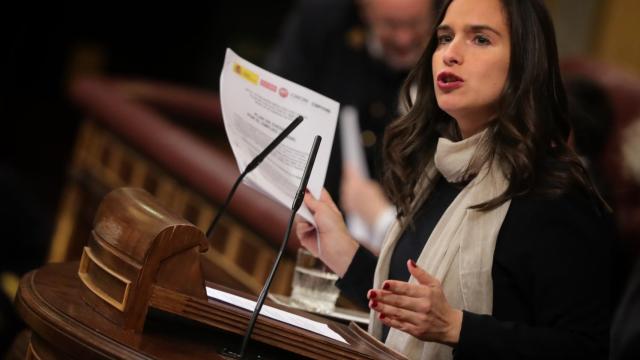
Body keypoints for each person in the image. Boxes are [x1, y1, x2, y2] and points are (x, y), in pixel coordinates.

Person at [295, 0, 611, 358]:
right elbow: (410, 307)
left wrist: (456, 327)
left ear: (525, 62)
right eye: (445, 38)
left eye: (480, 39)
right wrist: (341, 250)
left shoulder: (555, 193)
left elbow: (586, 350)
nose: (450, 54)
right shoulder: (437, 170)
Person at [266, 0, 438, 253]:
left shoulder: (449, 45)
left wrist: (380, 219)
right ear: (364, 10)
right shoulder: (324, 22)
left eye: (415, 24)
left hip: (403, 230)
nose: (404, 38)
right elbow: (279, 109)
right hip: (311, 213)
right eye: (390, 25)